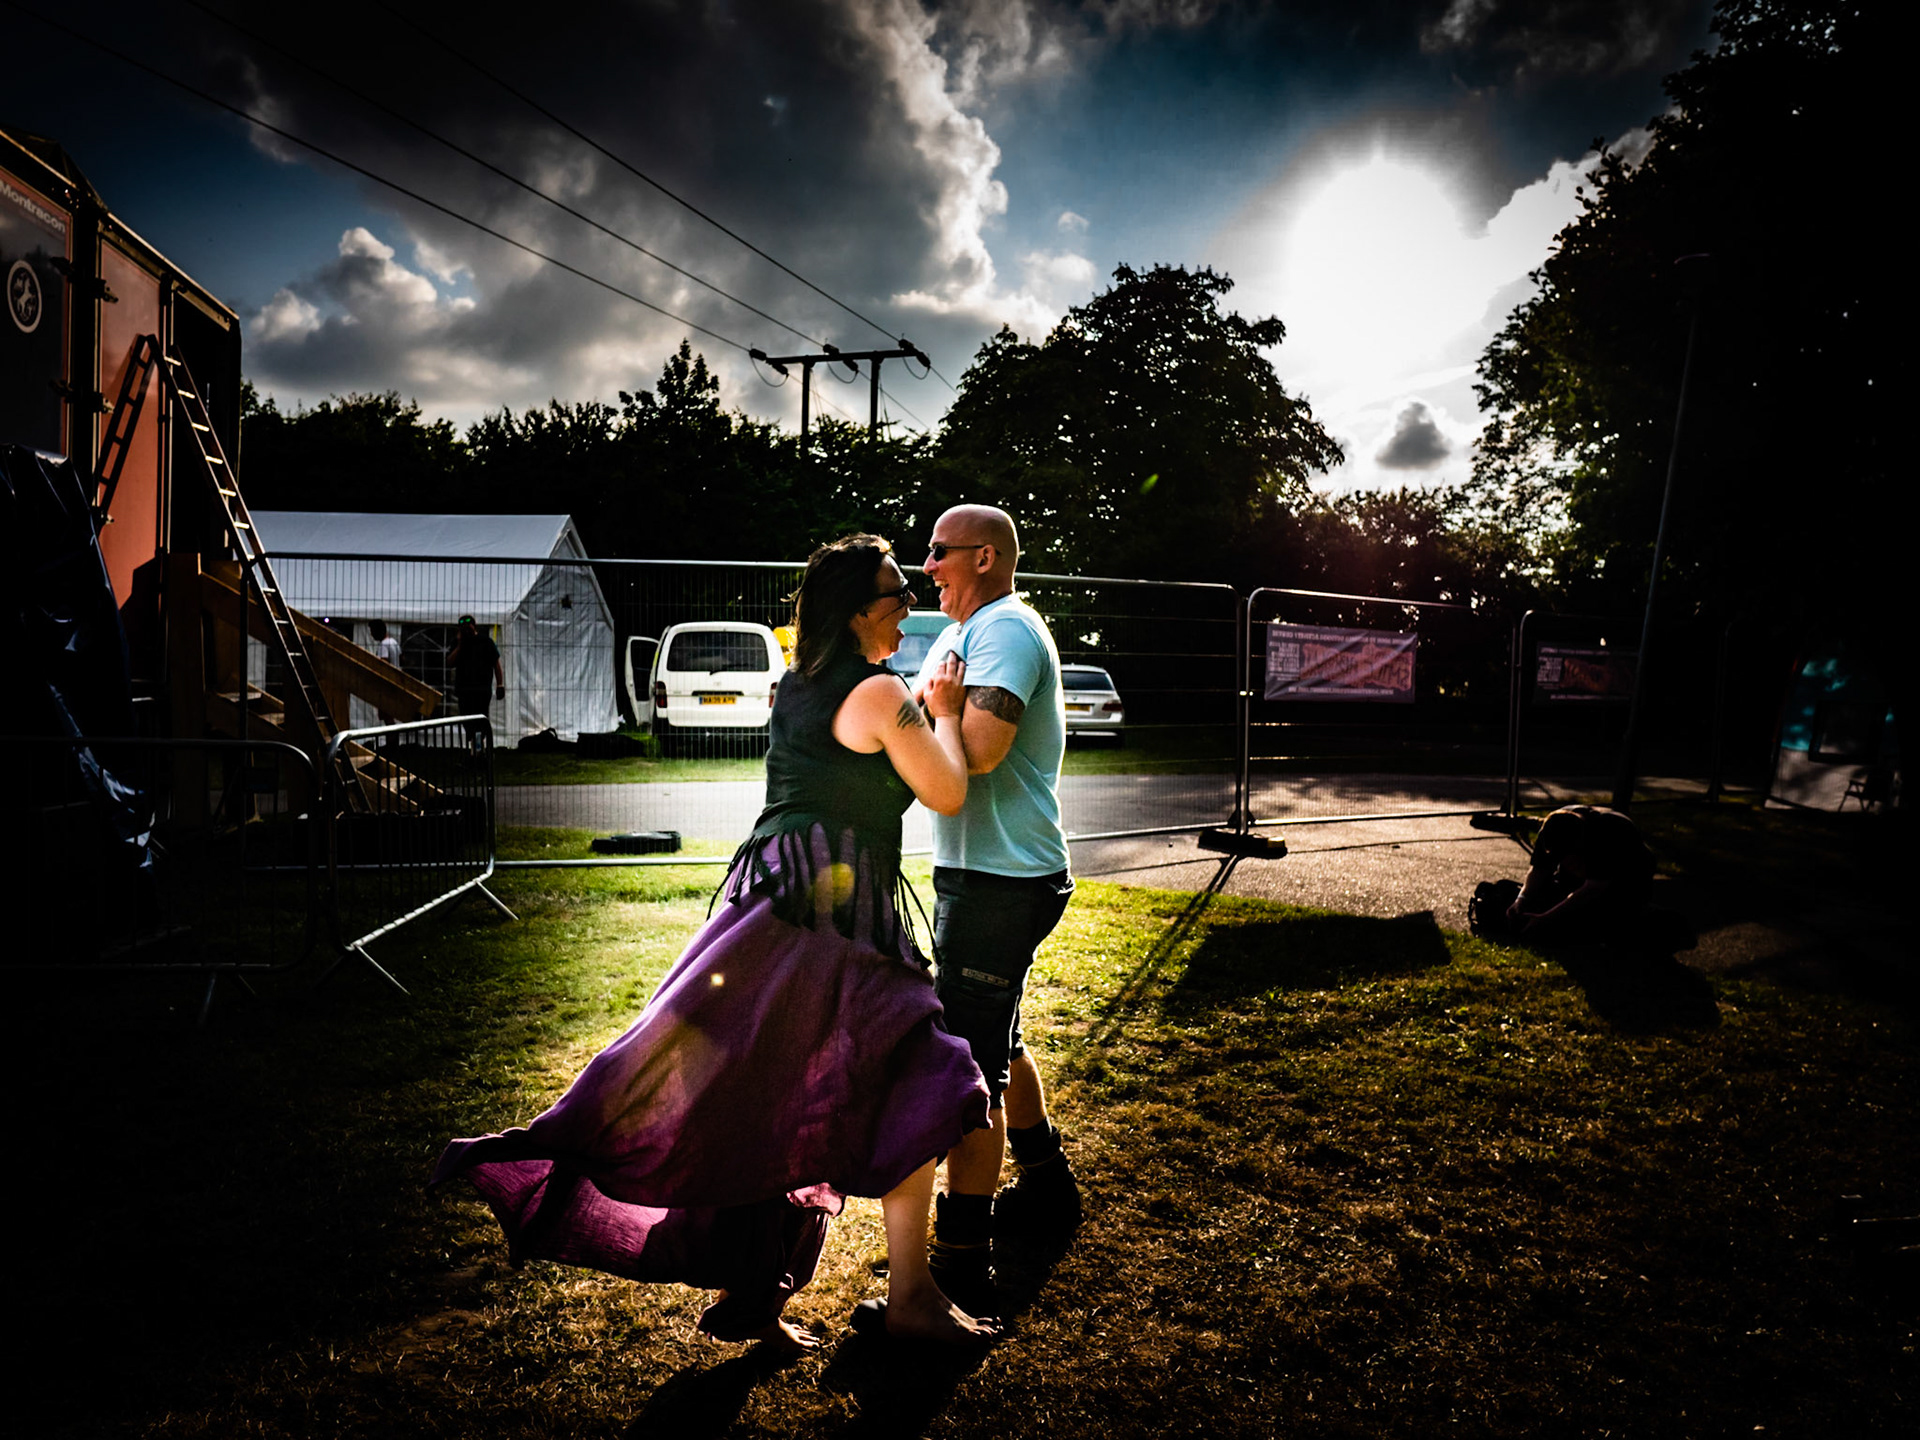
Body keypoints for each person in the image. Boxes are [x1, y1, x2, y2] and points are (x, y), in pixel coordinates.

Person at [433, 535, 999, 1349]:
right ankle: (909, 1296)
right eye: (895, 589)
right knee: (926, 1072)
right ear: (855, 608)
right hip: (829, 912)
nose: (909, 601)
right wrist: (943, 712)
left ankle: (758, 1294)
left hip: (778, 897)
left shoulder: (799, 684)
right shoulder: (880, 692)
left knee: (763, 1086)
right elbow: (945, 788)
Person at [913, 504, 1078, 1319]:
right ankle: (1048, 1183)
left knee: (968, 1061)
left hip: (1005, 880)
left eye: (939, 552)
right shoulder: (963, 633)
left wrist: (939, 711)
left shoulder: (1006, 629)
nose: (927, 564)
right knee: (994, 1033)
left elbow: (974, 751)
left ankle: (960, 1259)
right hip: (976, 874)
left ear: (982, 557)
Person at [1506, 804, 1656, 943]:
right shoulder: (1551, 830)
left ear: (1579, 843)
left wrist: (1545, 919)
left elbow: (1593, 889)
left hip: (1629, 880)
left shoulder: (1610, 832)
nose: (1563, 860)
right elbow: (1539, 870)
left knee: (1605, 917)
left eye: (1567, 855)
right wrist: (1521, 900)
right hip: (1585, 877)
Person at [448, 614, 504, 746]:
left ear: (475, 627)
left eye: (469, 628)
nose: (467, 631)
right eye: (463, 629)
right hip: (464, 690)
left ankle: (478, 749)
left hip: (481, 690)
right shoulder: (458, 643)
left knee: (480, 721)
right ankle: (475, 748)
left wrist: (500, 684)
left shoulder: (485, 642)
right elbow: (449, 662)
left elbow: (496, 664)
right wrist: (460, 645)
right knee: (467, 721)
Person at [368, 620, 403, 727]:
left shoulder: (384, 645)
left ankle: (391, 742)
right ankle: (392, 741)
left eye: (372, 631)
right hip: (395, 683)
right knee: (390, 717)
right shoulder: (394, 642)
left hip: (386, 686)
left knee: (388, 718)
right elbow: (402, 658)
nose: (371, 635)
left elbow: (383, 664)